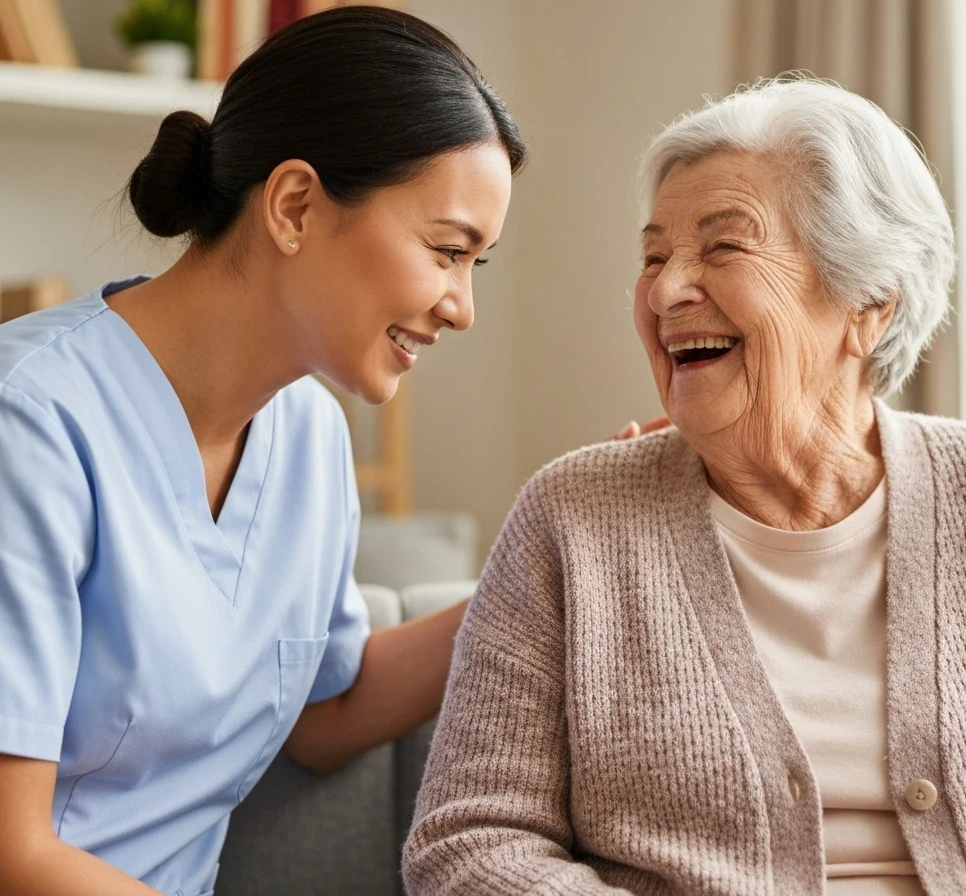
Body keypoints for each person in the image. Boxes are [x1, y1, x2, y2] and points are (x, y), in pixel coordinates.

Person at [403, 78, 966, 894]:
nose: (665, 290)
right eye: (653, 256)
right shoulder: (573, 518)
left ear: (870, 301)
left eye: (725, 244)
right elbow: (470, 840)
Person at [0, 8, 665, 895]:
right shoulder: (29, 424)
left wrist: (559, 555)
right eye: (446, 251)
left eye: (476, 264)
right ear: (295, 206)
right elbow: (15, 852)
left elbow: (327, 712)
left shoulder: (308, 434)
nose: (461, 307)